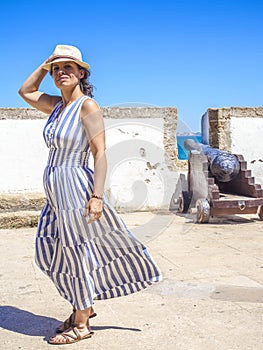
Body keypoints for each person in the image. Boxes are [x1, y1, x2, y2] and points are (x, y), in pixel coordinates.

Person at [18, 44, 162, 345]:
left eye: (68, 67)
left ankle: (81, 322)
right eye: (57, 69)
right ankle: (83, 305)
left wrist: (96, 196)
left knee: (76, 250)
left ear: (82, 73)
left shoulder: (87, 106)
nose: (61, 72)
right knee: (51, 250)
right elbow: (25, 91)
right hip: (56, 191)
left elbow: (99, 154)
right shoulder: (57, 106)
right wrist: (45, 65)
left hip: (75, 187)